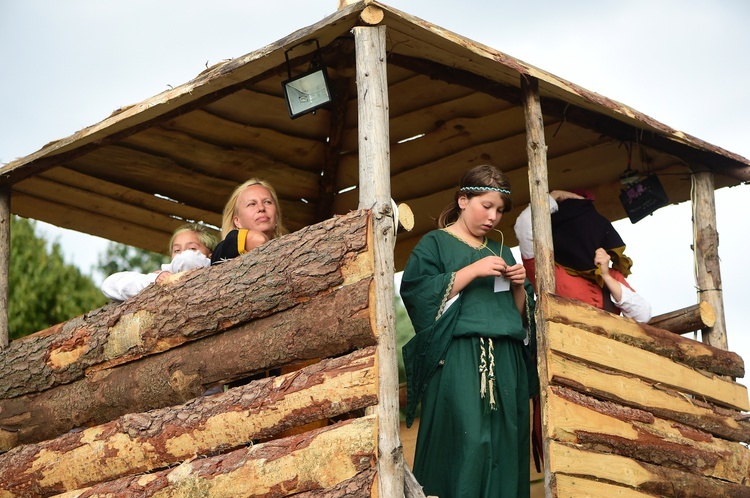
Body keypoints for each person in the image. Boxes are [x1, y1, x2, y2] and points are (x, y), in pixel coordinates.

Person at [400, 164, 537, 498]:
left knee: (505, 445)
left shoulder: (502, 251)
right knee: (467, 441)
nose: (493, 217)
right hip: (459, 359)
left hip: (506, 361)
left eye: (500, 210)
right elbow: (417, 295)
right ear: (463, 200)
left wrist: (520, 287)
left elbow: (517, 317)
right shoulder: (435, 243)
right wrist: (472, 270)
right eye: (485, 206)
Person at [513, 189, 651, 322]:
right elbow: (524, 225)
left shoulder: (609, 273)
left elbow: (642, 315)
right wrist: (556, 195)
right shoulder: (547, 269)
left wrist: (605, 276)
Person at [101, 223, 217, 302]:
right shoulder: (162, 276)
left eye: (192, 248)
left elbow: (187, 261)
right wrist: (154, 279)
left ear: (209, 255)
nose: (182, 254)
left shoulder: (215, 270)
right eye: (176, 250)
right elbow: (109, 285)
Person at [211, 178, 287, 264]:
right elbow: (259, 240)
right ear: (237, 221)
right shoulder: (222, 250)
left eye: (267, 202)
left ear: (276, 215)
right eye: (252, 204)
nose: (261, 208)